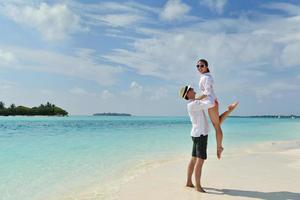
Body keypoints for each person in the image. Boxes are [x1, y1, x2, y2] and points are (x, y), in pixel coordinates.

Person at [179, 85, 236, 193]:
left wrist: (205, 93)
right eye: (191, 89)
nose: (193, 89)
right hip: (200, 136)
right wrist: (209, 93)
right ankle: (198, 186)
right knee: (200, 161)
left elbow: (199, 98)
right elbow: (210, 103)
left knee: (194, 159)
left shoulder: (191, 103)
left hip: (195, 134)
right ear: (187, 94)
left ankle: (189, 182)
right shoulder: (194, 104)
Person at [196, 59, 238, 159]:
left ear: (206, 66)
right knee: (217, 123)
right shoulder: (205, 77)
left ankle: (219, 147)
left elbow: (206, 92)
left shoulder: (206, 78)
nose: (199, 68)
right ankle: (230, 110)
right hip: (211, 102)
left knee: (217, 126)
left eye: (201, 66)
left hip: (211, 103)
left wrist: (196, 99)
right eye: (197, 66)